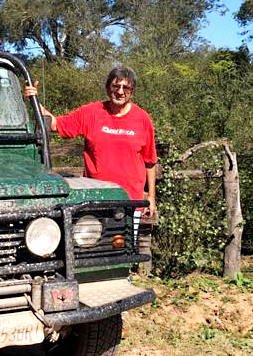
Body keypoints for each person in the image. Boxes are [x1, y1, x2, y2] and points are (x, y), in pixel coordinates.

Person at [24, 67, 157, 233]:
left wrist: (151, 197)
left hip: (129, 201)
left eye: (126, 88)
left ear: (132, 92)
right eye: (116, 86)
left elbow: (150, 161)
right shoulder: (91, 112)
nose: (120, 92)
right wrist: (33, 99)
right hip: (96, 199)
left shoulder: (142, 119)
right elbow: (55, 124)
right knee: (92, 251)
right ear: (108, 88)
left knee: (124, 253)